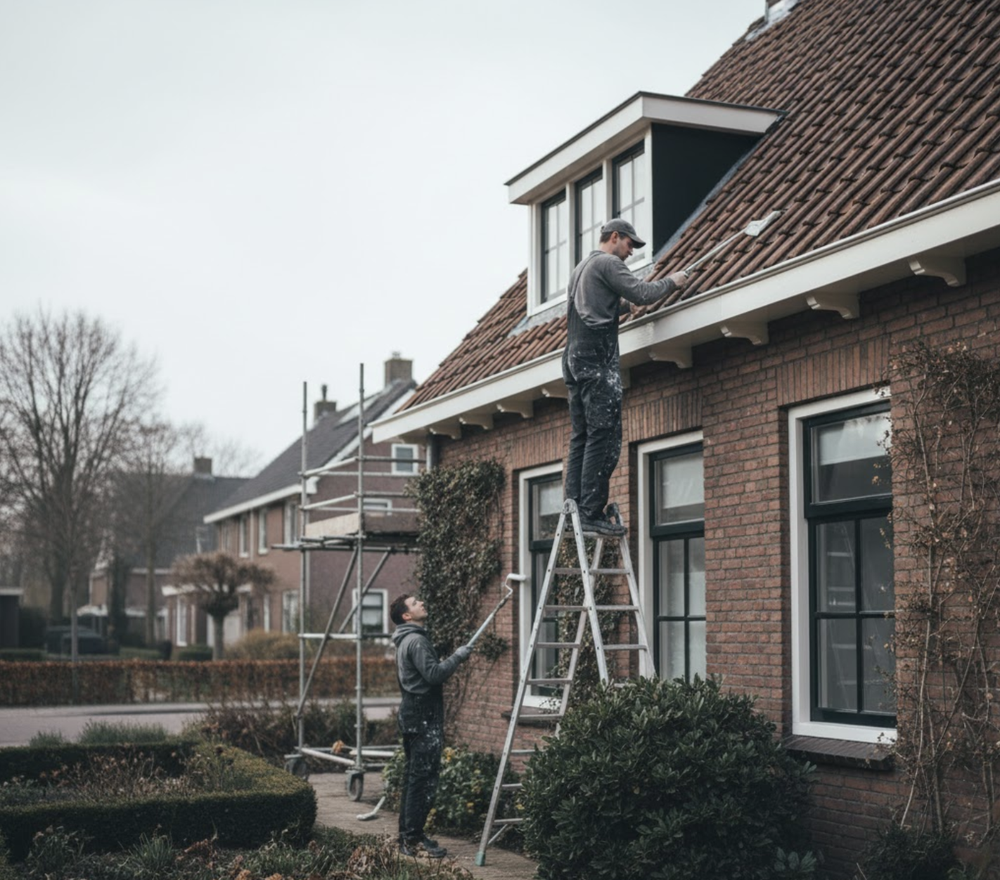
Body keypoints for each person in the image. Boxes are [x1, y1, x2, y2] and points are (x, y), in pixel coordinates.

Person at [563, 218, 689, 536]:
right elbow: (643, 292)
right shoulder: (608, 263)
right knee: (600, 436)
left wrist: (620, 308)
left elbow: (592, 306)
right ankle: (591, 512)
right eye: (630, 244)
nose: (631, 252)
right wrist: (674, 281)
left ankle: (573, 506)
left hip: (573, 360)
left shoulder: (582, 268)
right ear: (615, 237)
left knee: (580, 436)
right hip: (595, 362)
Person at [390, 593, 473, 859]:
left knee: (415, 778)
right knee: (422, 780)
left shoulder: (408, 640)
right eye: (415, 603)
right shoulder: (415, 641)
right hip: (422, 717)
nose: (422, 603)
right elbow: (435, 675)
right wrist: (458, 656)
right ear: (406, 616)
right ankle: (412, 839)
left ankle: (409, 835)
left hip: (414, 715)